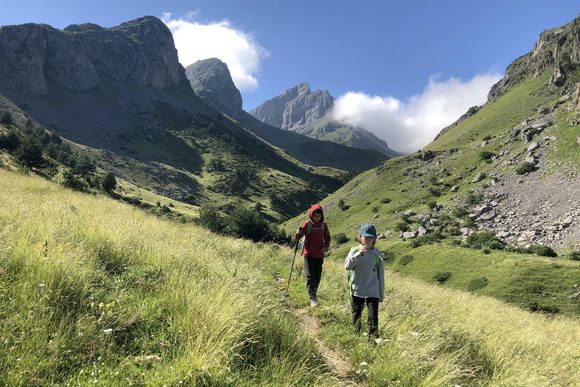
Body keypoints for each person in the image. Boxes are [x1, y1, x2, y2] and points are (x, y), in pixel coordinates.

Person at [345, 224, 385, 340]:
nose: (368, 240)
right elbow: (347, 267)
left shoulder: (378, 255)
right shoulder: (354, 251)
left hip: (373, 292)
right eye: (365, 237)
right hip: (357, 290)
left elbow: (381, 276)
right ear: (360, 237)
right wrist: (358, 254)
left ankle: (373, 340)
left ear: (374, 239)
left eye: (371, 238)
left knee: (373, 318)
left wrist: (380, 295)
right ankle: (356, 337)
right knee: (356, 315)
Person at [294, 204, 331, 307]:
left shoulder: (323, 226)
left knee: (317, 277)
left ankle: (314, 294)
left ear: (321, 216)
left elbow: (328, 238)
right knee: (310, 277)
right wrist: (298, 233)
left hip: (319, 255)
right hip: (308, 254)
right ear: (311, 215)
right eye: (315, 216)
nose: (317, 218)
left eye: (318, 216)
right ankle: (312, 299)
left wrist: (326, 247)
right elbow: (298, 236)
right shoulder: (308, 224)